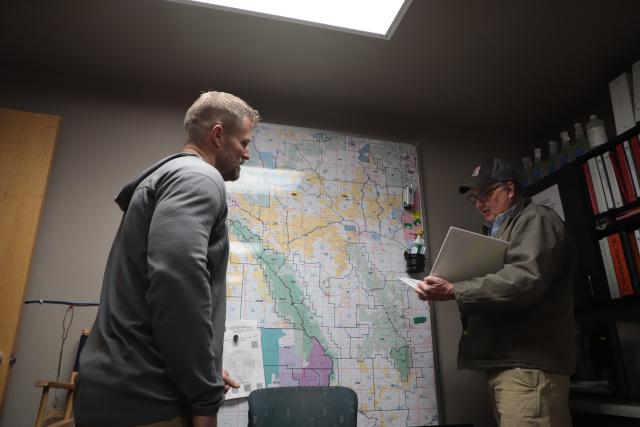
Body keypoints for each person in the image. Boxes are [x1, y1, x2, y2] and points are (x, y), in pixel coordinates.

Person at [75, 91, 261, 427]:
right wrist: (204, 399)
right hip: (149, 402)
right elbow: (178, 285)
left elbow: (159, 299)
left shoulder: (166, 179)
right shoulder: (200, 179)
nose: (246, 154)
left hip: (120, 392)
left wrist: (201, 368)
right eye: (243, 143)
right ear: (217, 136)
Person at [415, 158, 575, 427]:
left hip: (529, 367)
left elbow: (523, 281)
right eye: (475, 198)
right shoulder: (501, 232)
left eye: (486, 194)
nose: (479, 203)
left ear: (510, 189)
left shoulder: (536, 217)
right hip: (510, 364)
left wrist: (456, 289)